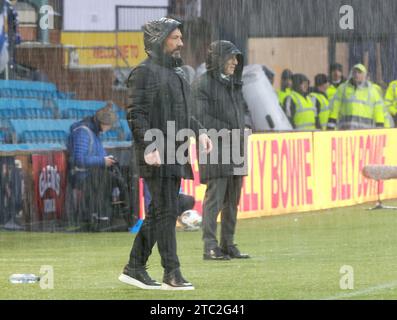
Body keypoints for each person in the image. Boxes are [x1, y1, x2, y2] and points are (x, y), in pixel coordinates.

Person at [119, 17, 212, 290]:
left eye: (181, 37)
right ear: (159, 40)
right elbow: (136, 114)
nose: (181, 43)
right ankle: (172, 273)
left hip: (176, 152)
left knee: (161, 212)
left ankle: (135, 266)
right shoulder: (144, 72)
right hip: (158, 154)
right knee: (166, 212)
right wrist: (149, 146)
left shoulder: (179, 73)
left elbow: (184, 115)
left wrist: (200, 131)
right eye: (175, 38)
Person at [192, 40, 251, 260]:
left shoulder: (235, 83)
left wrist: (244, 127)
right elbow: (199, 118)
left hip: (236, 147)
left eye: (237, 58)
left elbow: (239, 113)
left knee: (232, 200)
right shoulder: (202, 84)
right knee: (215, 199)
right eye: (231, 57)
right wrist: (230, 130)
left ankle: (228, 244)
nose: (236, 62)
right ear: (219, 59)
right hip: (215, 148)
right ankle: (210, 246)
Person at [67, 102, 130, 230]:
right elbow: (79, 160)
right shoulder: (83, 133)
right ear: (103, 123)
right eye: (109, 125)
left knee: (121, 177)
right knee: (106, 180)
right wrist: (102, 161)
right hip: (82, 176)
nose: (110, 128)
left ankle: (114, 215)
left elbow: (97, 156)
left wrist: (108, 160)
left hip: (93, 174)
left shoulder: (93, 132)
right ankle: (103, 217)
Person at [327, 64, 385, 130]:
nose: (356, 74)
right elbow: (334, 108)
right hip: (346, 131)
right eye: (354, 72)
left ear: (365, 75)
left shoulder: (372, 91)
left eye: (359, 72)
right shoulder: (342, 89)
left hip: (365, 132)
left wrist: (380, 127)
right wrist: (330, 126)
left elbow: (378, 111)